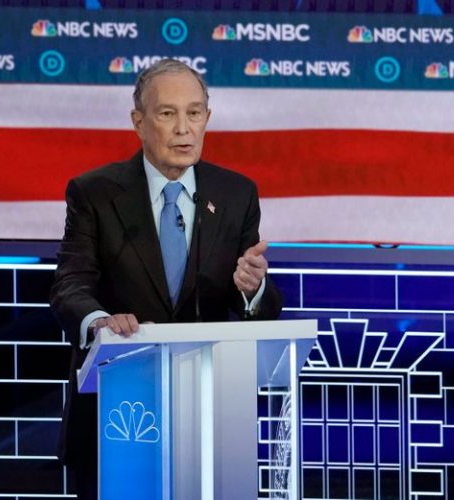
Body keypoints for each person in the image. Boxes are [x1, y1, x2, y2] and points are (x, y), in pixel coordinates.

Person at [49, 59, 283, 500]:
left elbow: (262, 307)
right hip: (115, 418)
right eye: (167, 113)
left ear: (207, 120)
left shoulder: (236, 194)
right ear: (138, 122)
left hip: (207, 421)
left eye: (195, 113)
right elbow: (69, 285)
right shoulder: (94, 193)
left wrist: (253, 289)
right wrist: (99, 322)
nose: (184, 129)